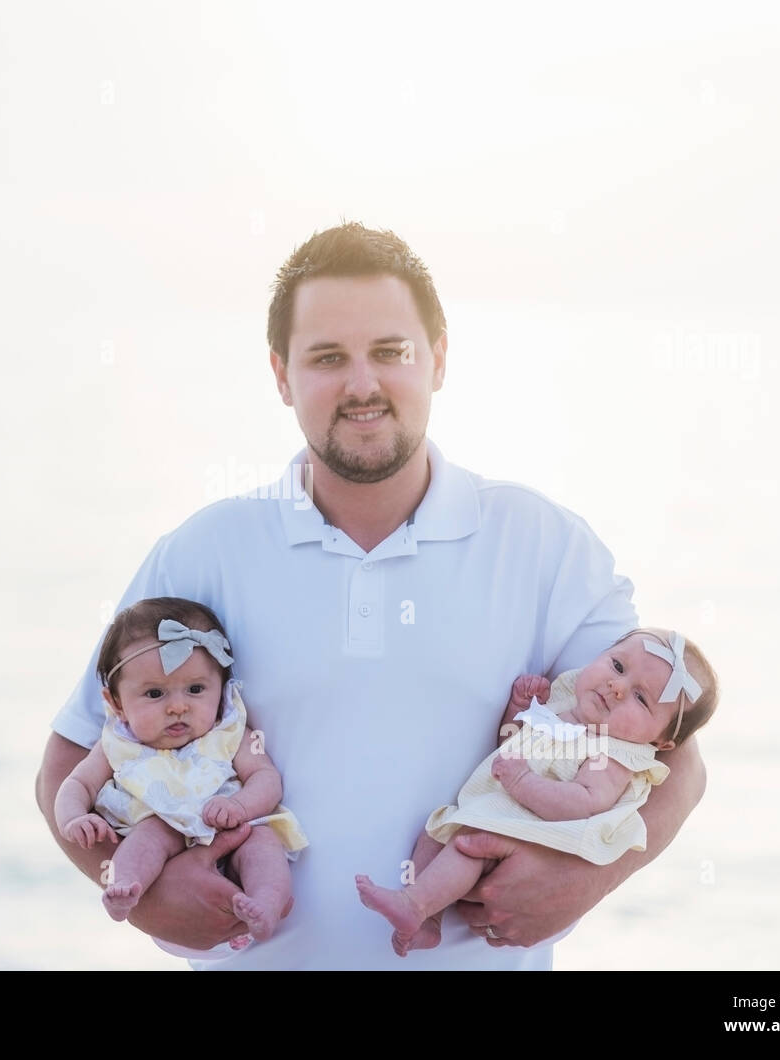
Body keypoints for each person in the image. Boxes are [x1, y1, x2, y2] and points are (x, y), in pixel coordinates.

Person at [37, 222, 708, 970]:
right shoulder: (203, 553)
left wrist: (593, 875)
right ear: (282, 374)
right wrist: (140, 894)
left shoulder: (545, 546)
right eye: (328, 357)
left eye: (391, 352)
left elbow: (676, 759)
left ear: (439, 358)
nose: (362, 384)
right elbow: (68, 759)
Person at [356, 628, 718, 957]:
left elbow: (584, 803)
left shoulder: (613, 755)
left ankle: (413, 904)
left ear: (661, 741)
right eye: (618, 665)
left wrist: (521, 783)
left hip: (520, 833)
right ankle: (430, 921)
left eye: (641, 698)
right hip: (490, 812)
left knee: (467, 849)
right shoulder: (563, 708)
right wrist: (517, 712)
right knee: (432, 836)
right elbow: (510, 747)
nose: (617, 687)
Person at [54, 596, 307, 943]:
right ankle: (128, 888)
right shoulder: (116, 744)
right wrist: (74, 820)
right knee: (150, 836)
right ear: (116, 703)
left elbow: (266, 779)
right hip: (166, 833)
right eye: (155, 693)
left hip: (232, 827)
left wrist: (240, 807)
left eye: (196, 689)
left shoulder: (229, 733)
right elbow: (76, 784)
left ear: (220, 687)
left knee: (263, 843)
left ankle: (265, 904)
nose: (177, 707)